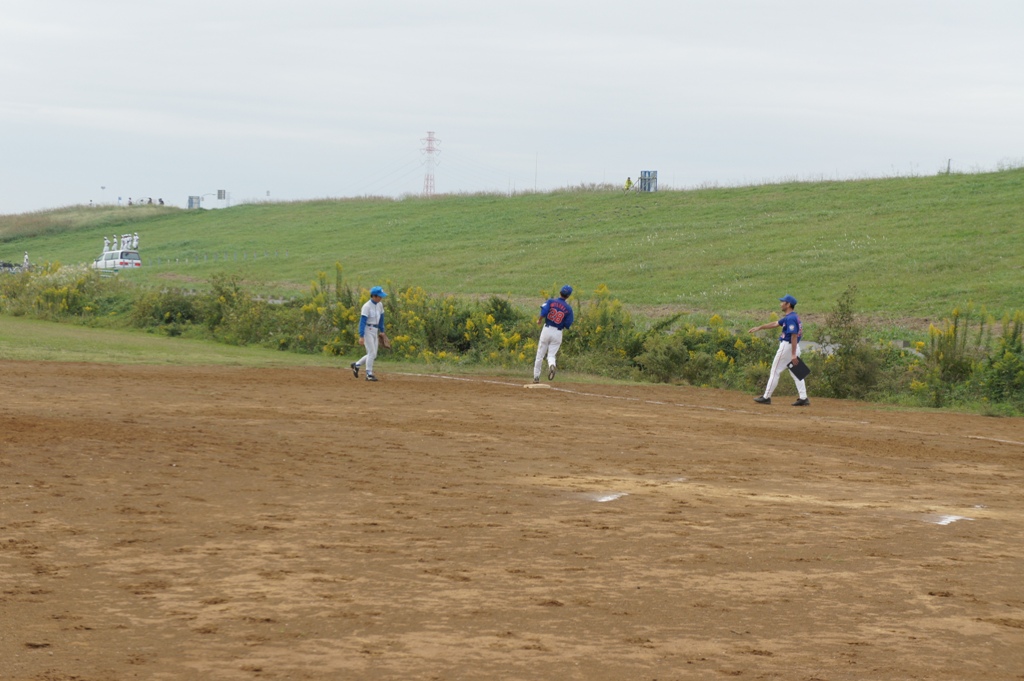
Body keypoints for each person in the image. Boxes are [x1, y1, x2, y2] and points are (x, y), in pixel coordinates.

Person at [748, 294, 809, 406]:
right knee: (797, 373)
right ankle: (803, 397)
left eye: (783, 302)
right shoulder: (792, 316)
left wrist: (793, 354)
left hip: (788, 346)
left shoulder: (790, 318)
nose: (781, 304)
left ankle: (766, 397)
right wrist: (760, 327)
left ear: (788, 304)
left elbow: (794, 335)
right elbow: (776, 323)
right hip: (793, 346)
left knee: (775, 371)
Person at [533, 285, 574, 383]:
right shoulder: (568, 309)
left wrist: (539, 320)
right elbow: (568, 324)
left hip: (547, 329)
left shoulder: (551, 301)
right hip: (558, 332)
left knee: (540, 355)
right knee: (551, 355)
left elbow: (544, 311)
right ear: (568, 296)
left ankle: (536, 377)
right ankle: (552, 365)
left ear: (560, 292)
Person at [351, 286, 387, 382]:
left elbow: (381, 318)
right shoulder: (366, 306)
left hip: (375, 331)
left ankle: (357, 365)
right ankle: (369, 374)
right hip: (367, 330)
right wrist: (361, 336)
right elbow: (362, 322)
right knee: (371, 353)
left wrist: (382, 331)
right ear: (374, 296)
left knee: (373, 354)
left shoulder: (380, 305)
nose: (381, 298)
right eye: (379, 296)